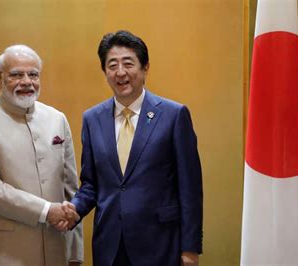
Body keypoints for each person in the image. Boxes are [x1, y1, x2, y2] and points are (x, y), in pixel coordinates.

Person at [66, 30, 203, 266]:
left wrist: (190, 247)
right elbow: (91, 183)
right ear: (105, 71)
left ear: (145, 67)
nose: (120, 73)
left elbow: (190, 188)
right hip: (110, 245)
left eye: (128, 63)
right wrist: (74, 210)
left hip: (160, 244)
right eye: (112, 65)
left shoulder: (173, 115)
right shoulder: (92, 119)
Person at [0, 44, 83, 266]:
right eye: (16, 75)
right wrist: (47, 211)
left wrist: (74, 252)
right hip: (1, 254)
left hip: (55, 251)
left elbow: (70, 188)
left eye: (33, 74)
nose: (26, 81)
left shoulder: (57, 119)